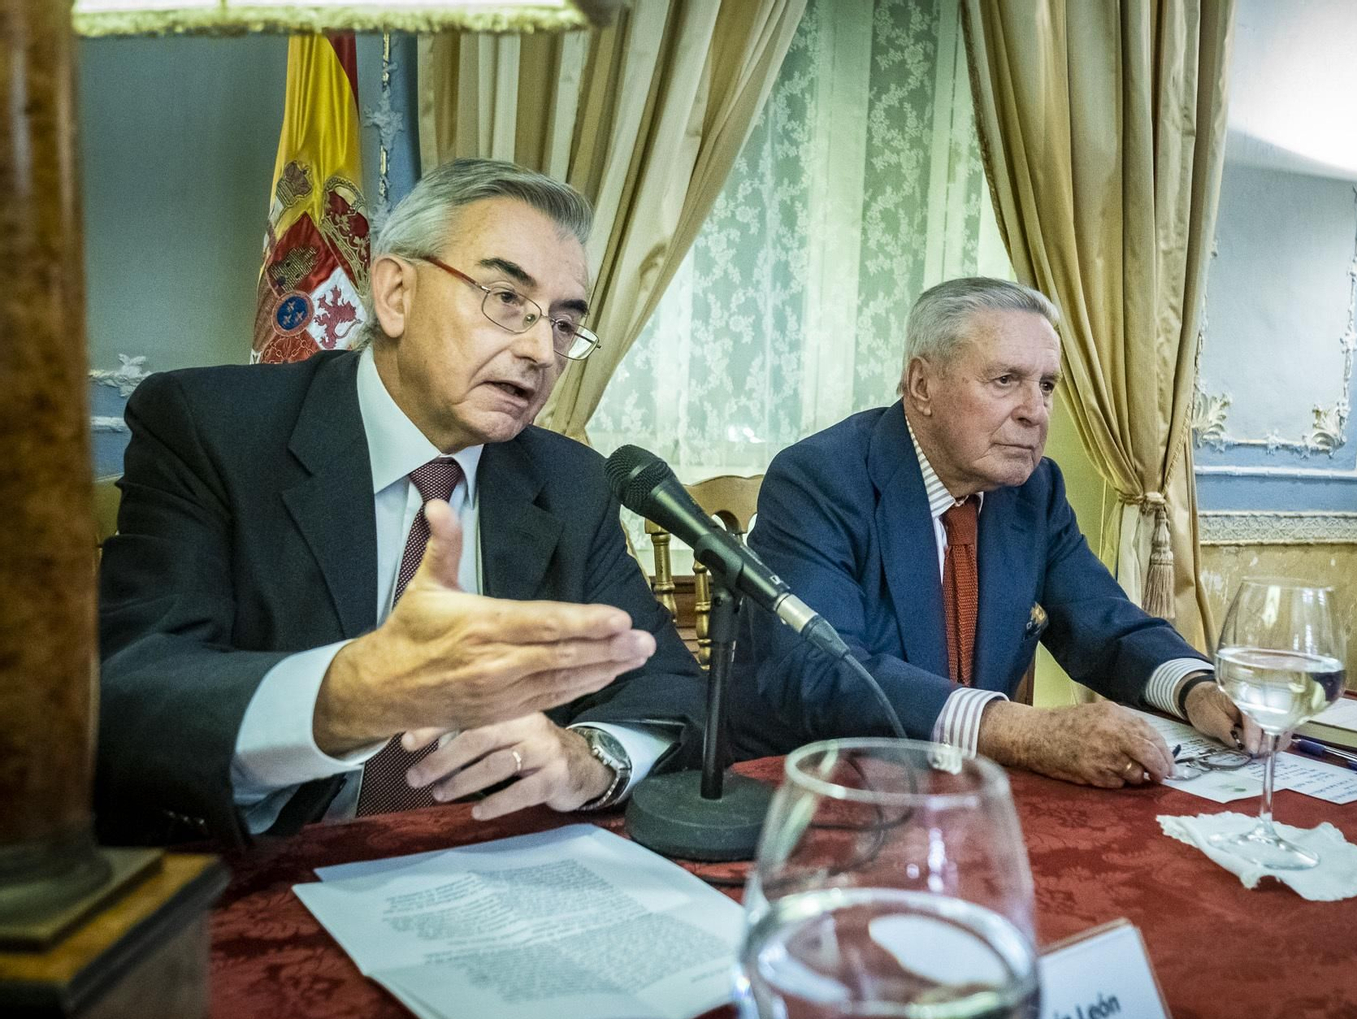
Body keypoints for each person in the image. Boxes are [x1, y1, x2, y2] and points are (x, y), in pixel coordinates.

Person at [97, 159, 704, 847]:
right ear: (395, 294)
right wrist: (349, 695)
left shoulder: (572, 482)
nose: (541, 350)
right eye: (507, 297)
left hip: (486, 864)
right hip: (264, 865)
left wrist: (588, 758)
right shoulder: (212, 429)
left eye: (565, 324)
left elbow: (671, 687)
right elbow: (131, 696)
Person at [732, 277, 1264, 787]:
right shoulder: (820, 479)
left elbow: (1103, 622)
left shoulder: (1034, 490)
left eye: (1047, 385)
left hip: (964, 795)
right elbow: (821, 674)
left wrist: (1193, 687)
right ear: (922, 385)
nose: (1036, 412)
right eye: (1005, 380)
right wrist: (1020, 730)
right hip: (815, 788)